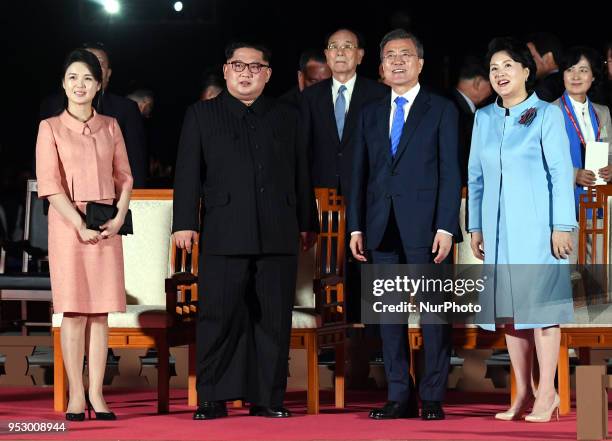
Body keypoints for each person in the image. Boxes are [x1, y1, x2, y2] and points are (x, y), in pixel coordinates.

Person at [172, 41, 318, 420]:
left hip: (278, 229)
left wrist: (308, 222)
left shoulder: (289, 116)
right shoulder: (202, 115)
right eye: (238, 65)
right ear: (225, 71)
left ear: (267, 74)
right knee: (218, 317)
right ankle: (212, 397)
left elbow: (302, 173)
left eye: (255, 67)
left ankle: (267, 397)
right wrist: (184, 222)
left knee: (272, 317)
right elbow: (188, 174)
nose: (246, 73)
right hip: (224, 230)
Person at [348, 29, 461, 421]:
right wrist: (355, 227)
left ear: (420, 64)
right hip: (380, 226)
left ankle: (431, 394)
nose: (397, 61)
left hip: (427, 229)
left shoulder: (442, 109)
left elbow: (451, 173)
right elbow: (358, 175)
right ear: (381, 66)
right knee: (389, 316)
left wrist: (447, 227)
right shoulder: (368, 113)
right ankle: (399, 394)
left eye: (406, 55)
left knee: (433, 316)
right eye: (390, 56)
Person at [468, 37, 576, 422]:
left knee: (542, 313)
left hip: (539, 232)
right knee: (511, 315)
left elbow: (562, 173)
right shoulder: (484, 118)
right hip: (498, 234)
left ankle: (547, 394)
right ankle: (522, 394)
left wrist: (562, 225)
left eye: (508, 66)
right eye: (494, 68)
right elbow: (476, 178)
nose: (500, 74)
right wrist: (476, 226)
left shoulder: (547, 114)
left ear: (526, 71)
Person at [35, 49, 133, 421]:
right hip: (68, 227)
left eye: (88, 79)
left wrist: (120, 215)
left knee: (100, 314)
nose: (80, 85)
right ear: (63, 83)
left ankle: (97, 392)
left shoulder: (111, 125)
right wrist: (78, 223)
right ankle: (76, 393)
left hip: (107, 225)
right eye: (73, 77)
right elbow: (49, 183)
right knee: (75, 312)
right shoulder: (50, 127)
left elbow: (125, 176)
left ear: (99, 85)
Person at [40, 42, 147, 188]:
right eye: (85, 63)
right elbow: (43, 166)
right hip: (62, 199)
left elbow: (135, 163)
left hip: (111, 202)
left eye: (98, 64)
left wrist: (131, 203)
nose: (91, 69)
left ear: (108, 74)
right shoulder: (52, 106)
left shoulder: (126, 109)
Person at [300, 28, 388, 197]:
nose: (340, 52)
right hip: (323, 191)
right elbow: (304, 150)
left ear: (360, 55)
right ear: (327, 55)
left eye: (347, 46)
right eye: (334, 47)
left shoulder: (380, 95)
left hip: (368, 191)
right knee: (329, 225)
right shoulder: (310, 97)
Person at [554, 46, 612, 264]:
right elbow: (541, 163)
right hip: (565, 208)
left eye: (583, 70)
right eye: (570, 69)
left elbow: (611, 151)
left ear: (593, 75)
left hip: (598, 205)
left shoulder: (602, 112)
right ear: (563, 75)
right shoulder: (551, 112)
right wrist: (574, 174)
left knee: (598, 275)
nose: (576, 76)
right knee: (569, 275)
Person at [449, 56, 492, 185]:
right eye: (491, 85)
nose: (492, 92)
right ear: (478, 82)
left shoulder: (449, 103)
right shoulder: (456, 112)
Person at [526, 32, 565, 103]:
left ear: (548, 57)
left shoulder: (543, 91)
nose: (527, 64)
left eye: (531, 57)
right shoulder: (569, 81)